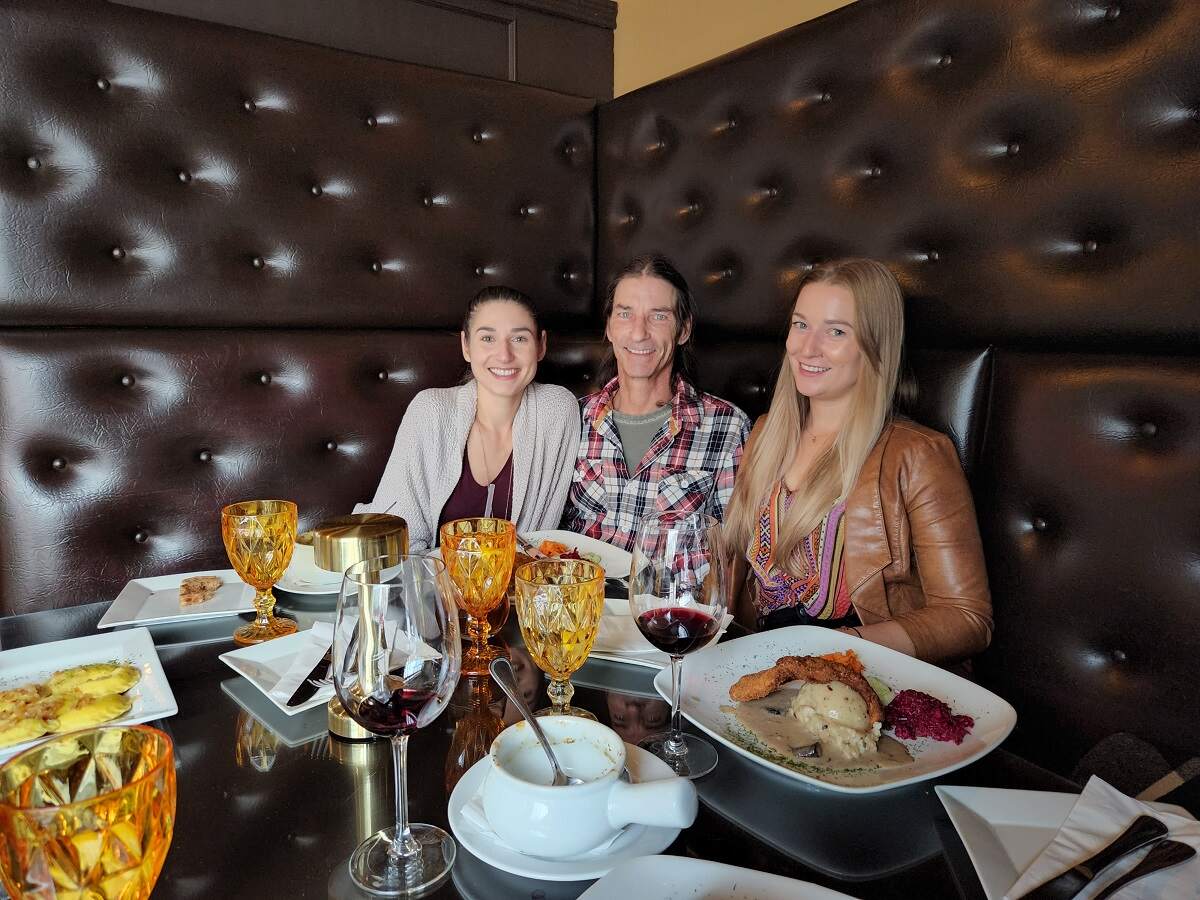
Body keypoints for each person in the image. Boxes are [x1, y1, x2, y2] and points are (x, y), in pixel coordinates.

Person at [723, 259, 992, 665]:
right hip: (755, 664)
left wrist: (837, 647)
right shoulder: (765, 431)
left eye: (836, 331)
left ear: (875, 345)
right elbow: (733, 572)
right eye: (800, 325)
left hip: (858, 678)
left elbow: (968, 618)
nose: (807, 348)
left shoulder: (918, 454)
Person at [356, 286, 580, 551]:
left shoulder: (556, 411)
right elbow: (395, 533)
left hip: (523, 588)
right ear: (466, 346)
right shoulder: (430, 411)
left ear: (541, 346)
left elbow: (539, 544)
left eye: (519, 339)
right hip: (430, 584)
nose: (504, 355)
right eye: (487, 338)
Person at [562, 254, 751, 551]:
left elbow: (736, 553)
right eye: (625, 314)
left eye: (658, 316)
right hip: (580, 594)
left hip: (670, 597)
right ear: (610, 327)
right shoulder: (572, 418)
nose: (639, 332)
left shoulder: (727, 426)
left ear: (683, 330)